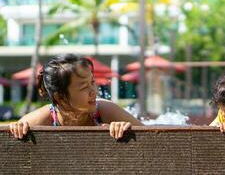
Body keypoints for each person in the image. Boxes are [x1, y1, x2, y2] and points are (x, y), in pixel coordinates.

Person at [10, 54, 143, 139]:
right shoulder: (40, 121)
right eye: (84, 87)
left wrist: (125, 128)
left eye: (92, 82)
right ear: (60, 97)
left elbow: (150, 136)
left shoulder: (104, 110)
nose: (94, 91)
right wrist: (18, 129)